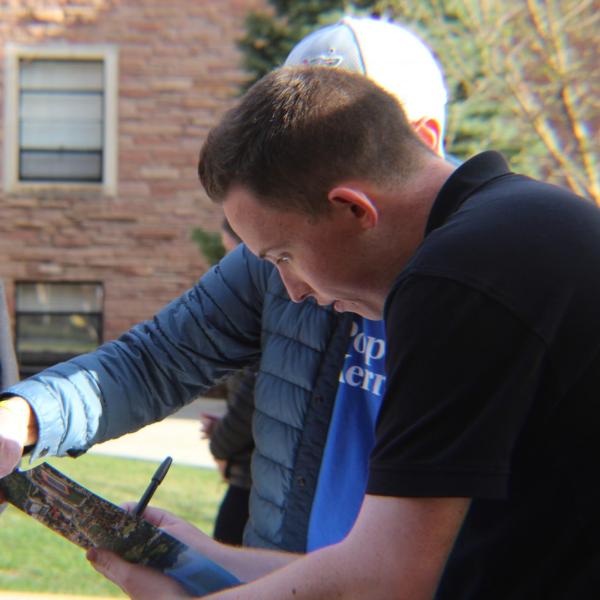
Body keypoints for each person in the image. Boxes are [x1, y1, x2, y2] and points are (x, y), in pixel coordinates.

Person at [87, 66, 600, 599]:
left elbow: (385, 582)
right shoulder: (515, 226)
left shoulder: (459, 277)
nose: (292, 290)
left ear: (354, 209)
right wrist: (208, 558)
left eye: (283, 256)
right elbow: (394, 565)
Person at [0, 16, 449, 555]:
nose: (294, 285)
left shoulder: (489, 281)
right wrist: (20, 417)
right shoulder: (273, 264)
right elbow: (155, 362)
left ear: (419, 141)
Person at [201, 219, 255, 545]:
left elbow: (255, 395)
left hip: (254, 479)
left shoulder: (266, 299)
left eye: (229, 251)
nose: (225, 263)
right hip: (245, 467)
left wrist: (220, 442)